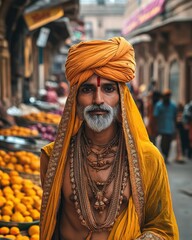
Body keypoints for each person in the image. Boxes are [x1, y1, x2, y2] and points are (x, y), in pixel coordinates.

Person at [39, 37, 179, 240]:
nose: (98, 100)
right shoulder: (53, 157)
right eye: (87, 89)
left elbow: (161, 226)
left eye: (108, 89)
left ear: (122, 98)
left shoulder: (148, 158)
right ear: (75, 99)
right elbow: (51, 223)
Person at [153, 89, 177, 164]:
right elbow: (155, 117)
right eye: (165, 96)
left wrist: (175, 128)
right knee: (163, 143)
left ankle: (166, 156)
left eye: (168, 96)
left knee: (168, 143)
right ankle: (163, 154)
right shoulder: (158, 105)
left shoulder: (173, 106)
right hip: (161, 127)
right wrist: (155, 127)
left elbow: (174, 117)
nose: (166, 98)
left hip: (170, 128)